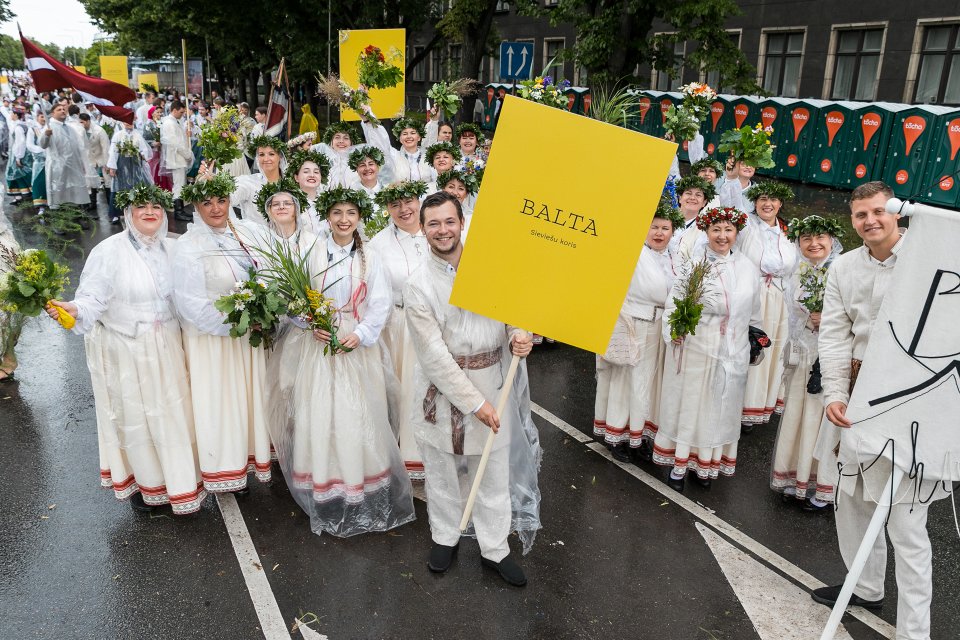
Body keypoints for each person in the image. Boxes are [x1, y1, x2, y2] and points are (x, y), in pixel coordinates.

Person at [812, 181, 948, 640]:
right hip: (856, 396)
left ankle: (915, 632)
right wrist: (834, 393)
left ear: (897, 214)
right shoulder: (844, 268)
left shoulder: (930, 259)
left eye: (878, 212)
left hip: (915, 401)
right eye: (860, 215)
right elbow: (834, 335)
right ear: (852, 221)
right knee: (848, 499)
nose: (870, 221)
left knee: (907, 523)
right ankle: (865, 586)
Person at [404, 191, 541, 586]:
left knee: (492, 470)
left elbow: (513, 315)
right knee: (443, 470)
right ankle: (444, 536)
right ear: (423, 228)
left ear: (461, 223)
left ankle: (495, 547)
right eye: (433, 223)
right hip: (441, 391)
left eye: (449, 221)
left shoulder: (491, 268)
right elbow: (433, 356)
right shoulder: (417, 285)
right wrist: (474, 403)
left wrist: (519, 336)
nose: (442, 230)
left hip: (492, 380)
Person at [45, 184, 205, 514]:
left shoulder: (174, 249)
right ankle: (145, 486)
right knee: (136, 420)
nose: (150, 212)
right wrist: (75, 309)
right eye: (141, 207)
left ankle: (179, 483)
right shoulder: (109, 251)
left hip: (168, 347)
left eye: (156, 207)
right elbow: (91, 298)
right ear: (128, 214)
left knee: (174, 416)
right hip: (126, 350)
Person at [265, 184, 415, 537]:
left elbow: (379, 303)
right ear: (327, 217)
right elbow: (294, 296)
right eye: (337, 213)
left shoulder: (369, 257)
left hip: (355, 342)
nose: (343, 220)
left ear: (359, 217)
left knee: (356, 410)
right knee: (319, 410)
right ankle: (323, 480)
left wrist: (360, 334)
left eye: (350, 213)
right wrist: (308, 321)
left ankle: (359, 478)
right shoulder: (311, 250)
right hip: (317, 344)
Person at [172, 173, 273, 494]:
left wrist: (262, 310)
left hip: (248, 336)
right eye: (206, 202)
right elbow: (189, 302)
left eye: (221, 200)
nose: (216, 208)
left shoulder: (249, 231)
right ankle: (225, 466)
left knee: (249, 399)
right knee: (221, 403)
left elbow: (270, 270)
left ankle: (250, 457)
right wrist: (231, 323)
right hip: (212, 341)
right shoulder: (189, 245)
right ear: (196, 206)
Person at [653, 206, 763, 492]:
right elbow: (675, 302)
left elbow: (754, 311)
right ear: (706, 231)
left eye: (728, 230)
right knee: (692, 407)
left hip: (732, 352)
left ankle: (706, 466)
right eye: (716, 230)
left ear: (737, 233)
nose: (722, 236)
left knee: (720, 409)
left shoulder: (748, 268)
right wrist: (674, 329)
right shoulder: (694, 264)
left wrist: (754, 339)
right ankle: (679, 466)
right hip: (697, 348)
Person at [594, 198, 680, 463]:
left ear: (672, 232)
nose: (658, 233)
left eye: (664, 228)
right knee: (626, 382)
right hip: (634, 324)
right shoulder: (633, 253)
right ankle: (615, 435)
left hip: (659, 328)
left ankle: (637, 435)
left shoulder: (675, 256)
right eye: (653, 227)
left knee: (647, 384)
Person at [771, 215, 843, 511]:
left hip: (830, 357)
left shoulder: (841, 271)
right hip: (802, 353)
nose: (814, 244)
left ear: (831, 241)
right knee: (797, 415)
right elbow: (791, 315)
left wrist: (827, 321)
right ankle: (793, 478)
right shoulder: (796, 272)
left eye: (820, 238)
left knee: (820, 419)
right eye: (806, 239)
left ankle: (822, 487)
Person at [369, 180, 430, 478]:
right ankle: (409, 454)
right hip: (399, 326)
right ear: (387, 209)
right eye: (395, 205)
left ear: (419, 201)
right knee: (406, 390)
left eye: (408, 201)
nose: (404, 209)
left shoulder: (437, 230)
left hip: (439, 324)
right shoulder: (377, 245)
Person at [738, 182, 799, 430]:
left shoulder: (788, 232)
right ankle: (740, 404)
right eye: (762, 198)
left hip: (779, 299)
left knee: (772, 350)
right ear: (754, 202)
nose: (767, 204)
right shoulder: (746, 226)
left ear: (780, 203)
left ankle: (759, 403)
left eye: (773, 199)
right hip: (754, 296)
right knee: (750, 347)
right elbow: (733, 196)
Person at [221, 135, 287, 225]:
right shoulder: (249, 182)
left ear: (280, 157)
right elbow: (229, 196)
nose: (266, 159)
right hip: (255, 237)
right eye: (261, 154)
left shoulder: (290, 184)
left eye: (271, 154)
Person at [39, 99, 89, 209]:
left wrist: (81, 164)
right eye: (59, 109)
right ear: (53, 113)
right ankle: (62, 218)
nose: (62, 111)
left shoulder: (70, 128)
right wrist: (46, 135)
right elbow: (43, 145)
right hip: (58, 166)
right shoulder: (49, 127)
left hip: (73, 166)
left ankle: (75, 216)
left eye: (63, 109)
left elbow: (77, 148)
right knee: (59, 193)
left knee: (74, 192)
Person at [106, 122, 153, 225]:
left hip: (135, 166)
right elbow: (113, 151)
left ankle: (135, 211)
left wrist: (142, 155)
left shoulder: (137, 135)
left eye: (130, 121)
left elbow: (144, 149)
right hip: (121, 166)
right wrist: (112, 167)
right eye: (126, 121)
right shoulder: (118, 135)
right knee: (119, 189)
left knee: (135, 188)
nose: (128, 124)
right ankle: (116, 214)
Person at [363, 117, 432, 183]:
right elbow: (381, 142)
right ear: (400, 139)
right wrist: (368, 121)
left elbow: (431, 138)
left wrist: (434, 121)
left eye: (412, 133)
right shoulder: (394, 156)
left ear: (419, 137)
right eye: (404, 134)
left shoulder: (428, 156)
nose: (408, 137)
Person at [160, 101, 194, 220]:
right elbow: (176, 144)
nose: (183, 114)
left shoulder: (174, 122)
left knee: (180, 184)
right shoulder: (170, 123)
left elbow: (179, 138)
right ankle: (178, 212)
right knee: (178, 185)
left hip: (178, 158)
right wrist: (187, 154)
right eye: (181, 112)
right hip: (176, 159)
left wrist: (186, 133)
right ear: (174, 110)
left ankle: (180, 210)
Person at [287, 150, 330, 236]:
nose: (312, 175)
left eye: (316, 172)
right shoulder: (290, 203)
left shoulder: (329, 202)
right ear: (296, 178)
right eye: (306, 171)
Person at [671, 175, 716, 260]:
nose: (692, 198)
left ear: (704, 203)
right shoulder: (664, 219)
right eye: (688, 193)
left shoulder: (704, 230)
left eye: (698, 195)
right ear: (680, 198)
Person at [310, 122, 363, 188]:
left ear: (352, 143)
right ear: (331, 142)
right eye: (337, 137)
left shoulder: (360, 162)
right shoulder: (320, 160)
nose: (341, 141)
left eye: (346, 138)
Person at [79, 113, 110, 212]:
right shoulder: (80, 132)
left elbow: (106, 148)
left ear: (88, 121)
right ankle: (92, 204)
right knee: (90, 182)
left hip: (101, 158)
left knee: (107, 182)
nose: (80, 124)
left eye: (82, 122)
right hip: (89, 160)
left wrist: (107, 164)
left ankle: (111, 206)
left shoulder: (99, 130)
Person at [5, 107, 32, 205]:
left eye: (12, 113)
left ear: (16, 115)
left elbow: (20, 143)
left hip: (19, 153)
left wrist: (18, 157)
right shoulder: (22, 125)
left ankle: (21, 195)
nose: (11, 115)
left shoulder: (18, 127)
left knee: (14, 174)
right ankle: (20, 195)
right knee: (19, 174)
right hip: (20, 153)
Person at [25, 111, 47, 213]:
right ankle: (41, 208)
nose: (43, 119)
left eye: (45, 117)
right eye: (41, 117)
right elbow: (29, 145)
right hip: (39, 161)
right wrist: (42, 150)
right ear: (37, 117)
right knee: (38, 183)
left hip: (50, 161)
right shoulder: (33, 130)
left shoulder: (49, 128)